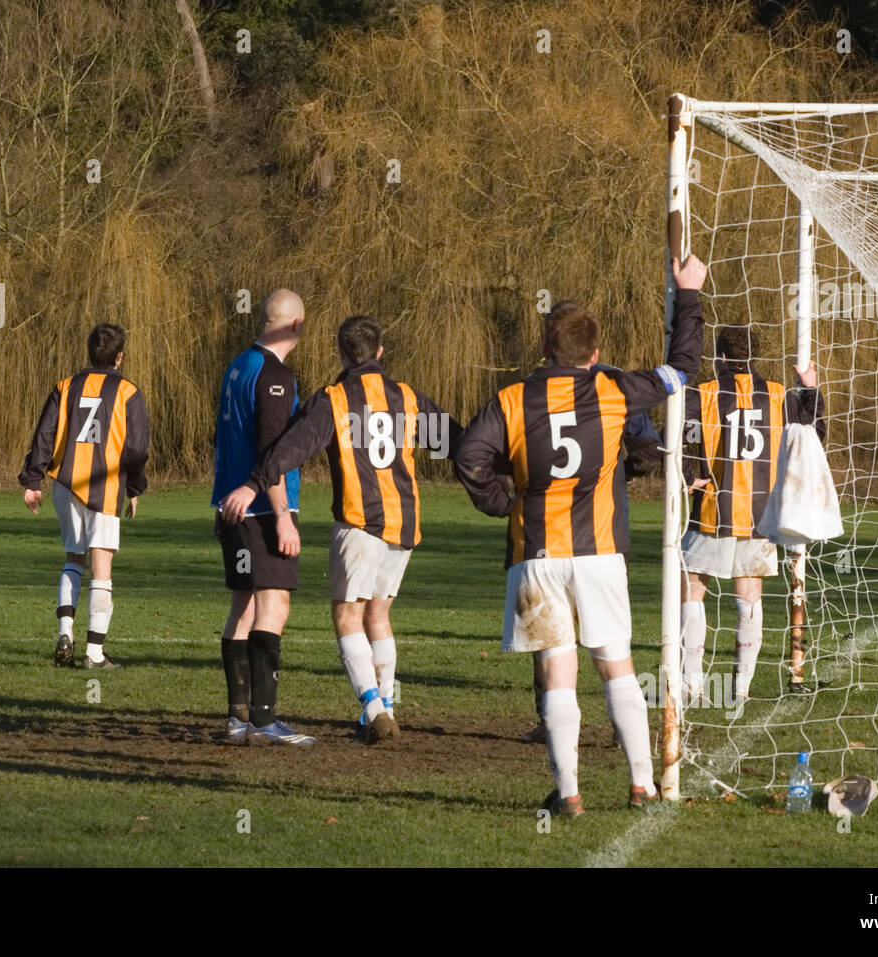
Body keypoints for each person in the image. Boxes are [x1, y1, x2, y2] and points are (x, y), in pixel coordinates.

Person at [456, 256, 707, 816]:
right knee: (616, 660)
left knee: (556, 667)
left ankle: (568, 791)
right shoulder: (615, 389)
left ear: (545, 350)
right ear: (594, 354)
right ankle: (642, 783)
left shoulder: (512, 399)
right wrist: (687, 293)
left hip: (537, 555)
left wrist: (504, 503)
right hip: (599, 553)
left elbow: (468, 456)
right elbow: (682, 368)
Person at [223, 315, 462, 744]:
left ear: (340, 352)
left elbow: (292, 448)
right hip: (404, 524)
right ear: (381, 352)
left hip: (358, 522)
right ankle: (383, 709)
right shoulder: (408, 397)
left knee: (348, 616)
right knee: (379, 615)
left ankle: (373, 710)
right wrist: (500, 472)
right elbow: (457, 441)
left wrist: (253, 482)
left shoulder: (335, 398)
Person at [680, 325, 823, 705]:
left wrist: (688, 474)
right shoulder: (778, 395)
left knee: (692, 586)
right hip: (760, 514)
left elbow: (684, 434)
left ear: (722, 357)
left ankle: (692, 684)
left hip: (713, 507)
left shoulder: (705, 392)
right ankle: (740, 688)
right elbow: (811, 433)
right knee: (749, 593)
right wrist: (811, 392)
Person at [521, 372, 664, 745]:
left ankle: (549, 719)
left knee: (551, 639)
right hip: (605, 533)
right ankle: (624, 729)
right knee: (613, 640)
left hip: (546, 534)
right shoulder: (615, 391)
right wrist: (614, 473)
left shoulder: (532, 391)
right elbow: (650, 453)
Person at [212, 290, 314, 746]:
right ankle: (263, 720)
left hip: (229, 508)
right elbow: (272, 451)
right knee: (274, 604)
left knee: (244, 604)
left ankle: (237, 717)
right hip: (260, 509)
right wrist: (282, 516)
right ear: (294, 325)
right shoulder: (275, 375)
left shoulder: (238, 366)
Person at [19, 323, 150, 670]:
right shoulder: (128, 391)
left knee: (73, 558)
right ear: (119, 356)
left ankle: (65, 631)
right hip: (104, 488)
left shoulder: (65, 387)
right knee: (101, 569)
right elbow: (136, 449)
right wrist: (135, 487)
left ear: (90, 352)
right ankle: (94, 653)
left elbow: (44, 436)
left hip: (65, 486)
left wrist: (32, 480)